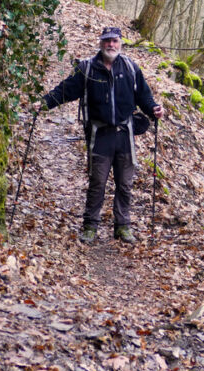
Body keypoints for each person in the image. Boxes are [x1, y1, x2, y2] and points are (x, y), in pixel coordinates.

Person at [33, 27, 164, 243]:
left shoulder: (131, 68)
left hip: (124, 133)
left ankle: (123, 227)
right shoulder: (86, 69)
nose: (110, 45)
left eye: (114, 41)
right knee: (97, 182)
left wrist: (155, 109)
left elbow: (145, 97)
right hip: (99, 134)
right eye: (106, 41)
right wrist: (45, 103)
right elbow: (65, 90)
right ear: (100, 43)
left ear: (120, 43)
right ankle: (90, 226)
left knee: (125, 184)